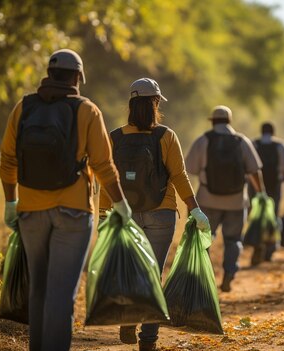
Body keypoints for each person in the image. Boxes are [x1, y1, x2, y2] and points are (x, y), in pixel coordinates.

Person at [0, 49, 132, 351]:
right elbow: (103, 166)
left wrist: (11, 202)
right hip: (73, 214)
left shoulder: (23, 108)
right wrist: (121, 204)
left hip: (30, 212)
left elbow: (7, 161)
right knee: (61, 295)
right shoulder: (87, 110)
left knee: (39, 292)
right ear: (77, 77)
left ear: (48, 73)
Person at [98, 78, 210, 351]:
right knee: (153, 273)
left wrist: (103, 212)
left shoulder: (114, 137)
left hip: (125, 213)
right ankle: (148, 339)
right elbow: (179, 175)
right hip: (162, 212)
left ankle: (129, 316)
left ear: (131, 104)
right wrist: (193, 207)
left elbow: (106, 177)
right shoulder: (166, 135)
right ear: (156, 103)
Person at [185, 105, 264, 292]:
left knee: (204, 239)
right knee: (233, 239)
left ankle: (205, 276)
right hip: (237, 202)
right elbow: (254, 170)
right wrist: (261, 193)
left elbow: (189, 169)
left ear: (212, 121)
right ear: (229, 121)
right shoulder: (241, 141)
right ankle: (229, 273)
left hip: (207, 200)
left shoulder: (203, 140)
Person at [250, 122, 284, 264]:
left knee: (258, 217)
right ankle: (270, 249)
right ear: (273, 132)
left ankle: (257, 244)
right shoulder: (281, 146)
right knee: (273, 216)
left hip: (256, 188)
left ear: (261, 131)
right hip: (275, 186)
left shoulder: (253, 144)